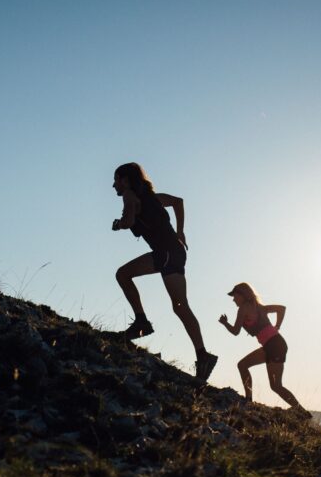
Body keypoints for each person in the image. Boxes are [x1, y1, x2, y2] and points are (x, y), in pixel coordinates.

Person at [111, 162, 218, 382]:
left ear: (126, 180)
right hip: (169, 253)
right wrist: (180, 232)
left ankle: (144, 324)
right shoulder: (153, 197)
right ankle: (200, 354)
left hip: (167, 253)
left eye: (117, 180)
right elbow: (178, 202)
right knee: (176, 304)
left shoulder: (130, 196)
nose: (114, 185)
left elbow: (129, 220)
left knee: (176, 304)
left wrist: (119, 224)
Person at [219, 282, 305, 411]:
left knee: (275, 385)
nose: (233, 299)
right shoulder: (260, 307)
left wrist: (225, 323)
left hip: (274, 346)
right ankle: (301, 412)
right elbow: (281, 309)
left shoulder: (243, 308)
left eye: (235, 296)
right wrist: (277, 327)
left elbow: (236, 332)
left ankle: (301, 411)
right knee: (246, 367)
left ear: (242, 295)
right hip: (275, 344)